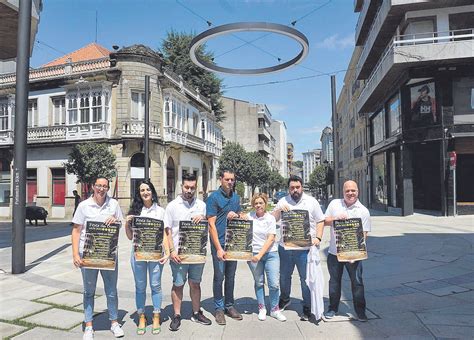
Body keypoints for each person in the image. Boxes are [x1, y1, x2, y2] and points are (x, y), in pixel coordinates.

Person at [71, 177, 124, 340]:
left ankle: (114, 322)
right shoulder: (83, 206)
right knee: (88, 291)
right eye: (99, 186)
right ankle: (88, 325)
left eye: (105, 186)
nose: (101, 189)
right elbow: (76, 231)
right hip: (88, 254)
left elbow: (121, 223)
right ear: (93, 187)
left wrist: (115, 220)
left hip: (108, 253)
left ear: (108, 188)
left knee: (111, 291)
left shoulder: (113, 204)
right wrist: (75, 254)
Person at [272, 175, 325, 321]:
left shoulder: (311, 201)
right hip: (286, 247)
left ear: (302, 187)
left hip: (305, 248)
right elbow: (273, 219)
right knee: (284, 276)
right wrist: (278, 210)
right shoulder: (283, 201)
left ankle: (307, 307)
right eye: (292, 188)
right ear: (288, 189)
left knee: (305, 279)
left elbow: (321, 220)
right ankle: (284, 298)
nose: (295, 190)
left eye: (297, 187)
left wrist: (318, 238)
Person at [164, 173, 212, 331]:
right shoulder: (172, 206)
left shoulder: (201, 205)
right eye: (186, 187)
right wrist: (171, 251)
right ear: (181, 186)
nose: (189, 190)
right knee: (178, 285)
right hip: (178, 254)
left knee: (195, 284)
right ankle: (177, 315)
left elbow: (206, 226)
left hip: (196, 253)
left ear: (196, 187)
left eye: (192, 188)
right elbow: (167, 231)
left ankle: (196, 312)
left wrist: (203, 218)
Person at [322, 180, 371, 322]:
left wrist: (356, 253)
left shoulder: (363, 211)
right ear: (343, 192)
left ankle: (360, 311)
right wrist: (336, 218)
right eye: (347, 191)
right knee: (334, 282)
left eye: (353, 190)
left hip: (354, 255)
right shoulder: (334, 204)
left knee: (357, 283)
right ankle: (332, 308)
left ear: (358, 191)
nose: (350, 193)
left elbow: (364, 234)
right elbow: (324, 221)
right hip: (333, 252)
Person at [125, 180, 169, 335]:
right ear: (139, 193)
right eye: (142, 190)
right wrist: (127, 223)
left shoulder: (161, 211)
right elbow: (130, 237)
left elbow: (164, 233)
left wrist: (168, 252)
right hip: (138, 254)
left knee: (156, 285)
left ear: (152, 191)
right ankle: (141, 316)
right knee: (140, 286)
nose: (145, 192)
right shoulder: (135, 211)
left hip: (156, 253)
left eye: (148, 189)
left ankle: (156, 315)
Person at [206, 168, 243, 325]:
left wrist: (238, 215)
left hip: (232, 243)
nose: (229, 182)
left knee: (231, 276)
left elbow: (240, 217)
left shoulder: (236, 198)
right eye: (227, 179)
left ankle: (229, 305)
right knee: (219, 276)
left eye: (232, 179)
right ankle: (219, 309)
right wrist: (219, 249)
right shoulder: (213, 198)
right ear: (220, 179)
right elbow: (211, 225)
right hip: (219, 244)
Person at [246, 193, 286, 322]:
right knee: (259, 282)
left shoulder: (270, 218)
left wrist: (259, 255)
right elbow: (238, 222)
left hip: (270, 255)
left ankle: (275, 309)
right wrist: (233, 215)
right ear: (253, 205)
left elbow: (271, 238)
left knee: (274, 284)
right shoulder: (249, 217)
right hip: (253, 255)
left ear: (265, 204)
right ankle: (262, 307)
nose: (258, 205)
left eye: (261, 203)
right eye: (256, 203)